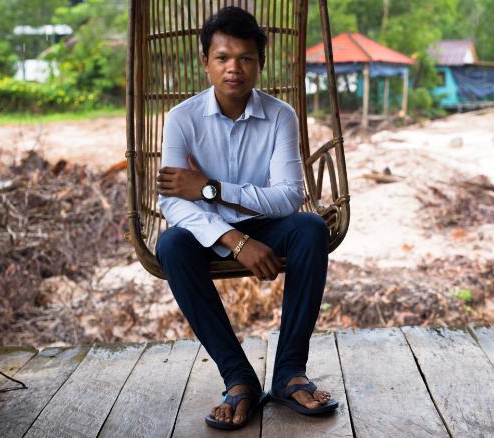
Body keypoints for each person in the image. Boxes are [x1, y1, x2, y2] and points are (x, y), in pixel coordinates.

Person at [154, 6, 338, 431]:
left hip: (268, 225)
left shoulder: (280, 116)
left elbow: (290, 197)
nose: (233, 68)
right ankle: (238, 378)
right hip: (209, 231)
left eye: (245, 58)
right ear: (205, 63)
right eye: (222, 57)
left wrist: (210, 188)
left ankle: (290, 372)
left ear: (259, 63)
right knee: (171, 244)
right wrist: (235, 240)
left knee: (310, 228)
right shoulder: (181, 119)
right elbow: (173, 203)